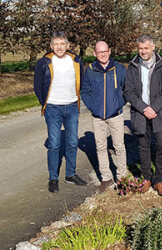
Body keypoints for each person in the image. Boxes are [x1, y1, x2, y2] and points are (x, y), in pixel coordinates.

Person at [34, 31, 88, 193]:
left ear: (68, 45)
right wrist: (45, 103)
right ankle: (53, 178)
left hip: (71, 106)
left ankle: (70, 174)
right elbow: (37, 86)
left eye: (62, 43)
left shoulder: (76, 61)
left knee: (72, 142)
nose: (59, 47)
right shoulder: (44, 62)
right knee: (55, 144)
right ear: (51, 46)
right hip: (52, 108)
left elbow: (82, 81)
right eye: (56, 44)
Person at [124, 35, 162, 196]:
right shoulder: (132, 66)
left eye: (146, 48)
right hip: (141, 112)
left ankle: (158, 179)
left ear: (153, 47)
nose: (143, 51)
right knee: (143, 147)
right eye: (140, 48)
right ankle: (146, 178)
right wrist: (144, 108)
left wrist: (154, 108)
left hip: (160, 112)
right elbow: (128, 92)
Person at [81, 41, 128, 193]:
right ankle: (106, 178)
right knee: (101, 147)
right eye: (99, 52)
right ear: (95, 53)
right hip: (98, 117)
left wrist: (119, 103)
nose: (103, 54)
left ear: (109, 51)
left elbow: (127, 89)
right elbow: (84, 91)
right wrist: (93, 106)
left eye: (105, 51)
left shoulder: (119, 69)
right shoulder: (90, 71)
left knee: (119, 147)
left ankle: (122, 178)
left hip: (116, 115)